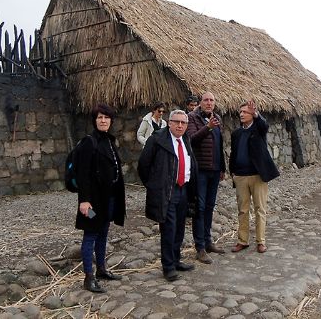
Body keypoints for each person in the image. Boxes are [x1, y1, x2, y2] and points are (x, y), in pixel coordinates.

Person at [138, 109, 197, 282]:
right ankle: (168, 266)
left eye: (183, 123)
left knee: (179, 227)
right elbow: (143, 165)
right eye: (176, 122)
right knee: (168, 229)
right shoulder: (157, 140)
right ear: (169, 123)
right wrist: (154, 186)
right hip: (167, 191)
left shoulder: (185, 140)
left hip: (183, 189)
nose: (180, 125)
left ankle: (176, 260)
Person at [75, 103, 126, 293]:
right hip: (93, 201)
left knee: (103, 232)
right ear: (94, 120)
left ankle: (102, 269)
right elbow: (83, 174)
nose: (103, 121)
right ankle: (88, 278)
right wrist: (84, 201)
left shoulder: (108, 141)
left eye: (106, 117)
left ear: (111, 120)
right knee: (90, 235)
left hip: (108, 199)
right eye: (99, 117)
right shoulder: (90, 142)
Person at [229, 100, 279, 254]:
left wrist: (257, 115)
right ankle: (242, 241)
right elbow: (233, 152)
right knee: (243, 210)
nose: (242, 114)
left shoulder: (258, 129)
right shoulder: (236, 133)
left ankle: (260, 241)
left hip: (258, 175)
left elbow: (264, 125)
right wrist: (232, 172)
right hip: (241, 177)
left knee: (260, 209)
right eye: (241, 112)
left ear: (252, 114)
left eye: (245, 112)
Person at [187, 92, 226, 264]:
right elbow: (191, 140)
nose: (209, 103)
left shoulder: (217, 118)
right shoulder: (192, 117)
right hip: (200, 171)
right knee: (200, 207)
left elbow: (219, 144)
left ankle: (208, 241)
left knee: (210, 206)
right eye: (206, 100)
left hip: (215, 170)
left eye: (211, 100)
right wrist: (208, 127)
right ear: (200, 103)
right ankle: (200, 247)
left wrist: (223, 168)